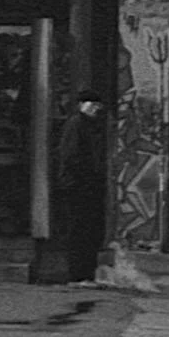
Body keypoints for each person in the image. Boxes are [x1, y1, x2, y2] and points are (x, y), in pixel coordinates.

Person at [54, 93, 109, 285]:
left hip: (86, 186)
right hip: (78, 186)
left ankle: (85, 274)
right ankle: (78, 274)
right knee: (80, 230)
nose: (95, 108)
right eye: (91, 104)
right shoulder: (77, 125)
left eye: (97, 104)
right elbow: (71, 157)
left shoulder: (89, 126)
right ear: (80, 105)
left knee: (88, 231)